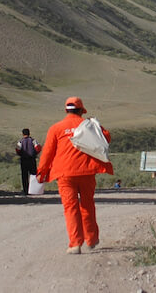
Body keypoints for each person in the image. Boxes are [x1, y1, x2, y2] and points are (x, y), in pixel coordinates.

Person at [36, 96, 113, 254]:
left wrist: (41, 171)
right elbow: (106, 137)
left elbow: (47, 153)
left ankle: (75, 244)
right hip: (87, 171)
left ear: (66, 110)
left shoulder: (56, 128)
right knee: (87, 205)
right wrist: (96, 125)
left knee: (70, 208)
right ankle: (91, 240)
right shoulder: (88, 126)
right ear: (81, 110)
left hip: (65, 174)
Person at [16, 128, 40, 195]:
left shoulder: (20, 141)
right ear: (29, 133)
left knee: (24, 175)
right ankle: (34, 190)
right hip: (32, 160)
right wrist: (34, 154)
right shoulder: (33, 141)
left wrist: (21, 154)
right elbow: (38, 148)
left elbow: (18, 150)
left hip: (24, 160)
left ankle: (25, 190)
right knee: (33, 175)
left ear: (23, 134)